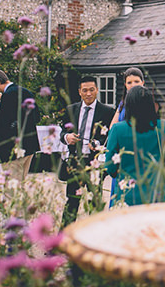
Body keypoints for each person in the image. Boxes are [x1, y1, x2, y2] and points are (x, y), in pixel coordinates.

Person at [60, 76, 115, 226]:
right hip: (75, 161)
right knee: (71, 202)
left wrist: (98, 144)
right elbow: (61, 133)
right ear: (79, 92)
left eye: (92, 90)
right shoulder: (71, 109)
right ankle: (63, 241)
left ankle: (94, 238)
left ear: (97, 90)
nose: (88, 93)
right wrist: (67, 137)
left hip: (95, 163)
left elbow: (111, 136)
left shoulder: (108, 111)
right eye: (85, 90)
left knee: (94, 204)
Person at [104, 86, 165, 205]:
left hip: (127, 196)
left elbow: (110, 166)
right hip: (155, 195)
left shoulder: (117, 129)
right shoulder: (162, 127)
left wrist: (118, 173)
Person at [0, 69, 39, 179]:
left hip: (13, 150)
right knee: (20, 185)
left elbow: (6, 126)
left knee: (11, 189)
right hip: (29, 146)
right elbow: (36, 117)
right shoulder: (26, 92)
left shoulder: (8, 95)